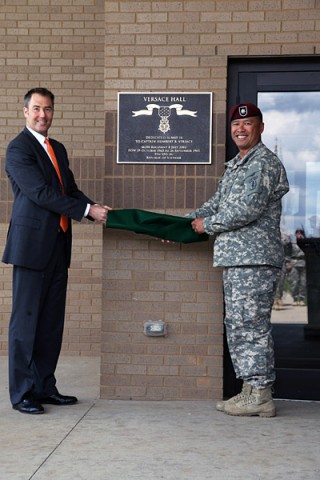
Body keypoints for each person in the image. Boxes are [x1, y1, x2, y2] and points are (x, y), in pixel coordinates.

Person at [2, 88, 111, 415]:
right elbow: (40, 193)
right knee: (25, 324)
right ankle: (22, 393)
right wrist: (86, 211)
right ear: (25, 111)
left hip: (58, 246)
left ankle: (44, 387)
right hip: (31, 248)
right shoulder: (18, 149)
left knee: (50, 323)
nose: (42, 115)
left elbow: (69, 190)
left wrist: (93, 206)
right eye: (36, 109)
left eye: (47, 109)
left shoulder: (58, 149)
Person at [189, 102, 289, 417]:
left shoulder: (263, 163)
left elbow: (249, 208)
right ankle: (249, 388)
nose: (240, 129)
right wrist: (184, 225)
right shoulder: (237, 165)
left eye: (248, 124)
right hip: (237, 259)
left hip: (255, 259)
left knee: (251, 325)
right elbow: (216, 203)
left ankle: (260, 393)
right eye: (236, 125)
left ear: (261, 127)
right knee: (238, 324)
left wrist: (207, 225)